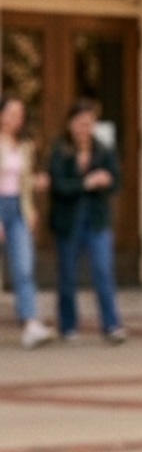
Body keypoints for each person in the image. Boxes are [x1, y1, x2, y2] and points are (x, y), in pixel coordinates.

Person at [48, 99, 126, 343]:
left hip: (97, 219)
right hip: (69, 220)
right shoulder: (60, 151)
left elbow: (117, 181)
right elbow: (58, 185)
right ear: (71, 124)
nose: (84, 129)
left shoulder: (103, 149)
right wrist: (85, 183)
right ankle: (68, 325)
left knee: (103, 271)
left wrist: (106, 180)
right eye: (80, 123)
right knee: (68, 274)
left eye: (89, 123)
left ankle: (111, 324)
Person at [0, 93, 55, 349]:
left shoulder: (25, 146)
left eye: (20, 114)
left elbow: (22, 182)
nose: (16, 119)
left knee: (24, 267)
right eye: (11, 113)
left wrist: (33, 198)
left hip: (18, 209)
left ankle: (30, 324)